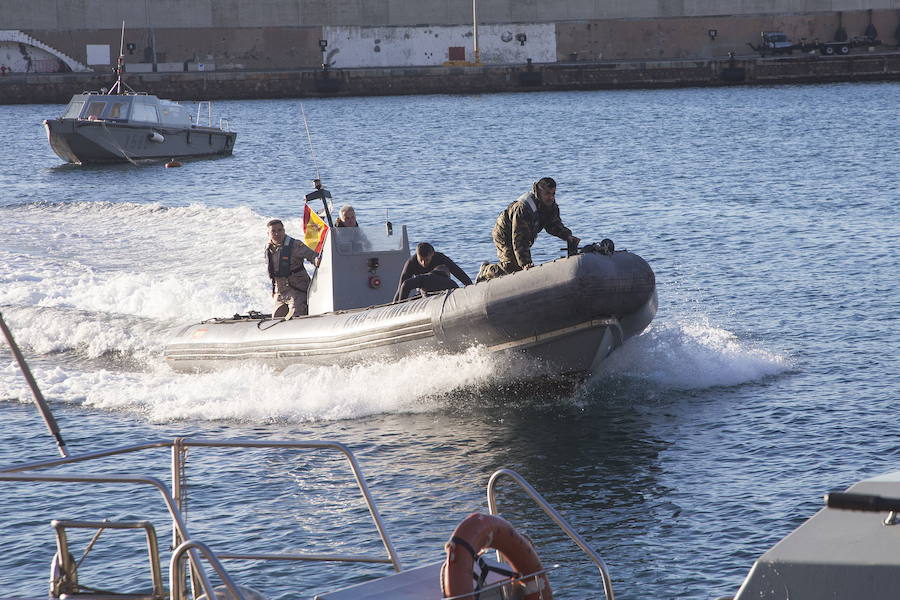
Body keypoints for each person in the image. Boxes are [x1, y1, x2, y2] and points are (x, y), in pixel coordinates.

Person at [476, 177, 580, 282]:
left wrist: (567, 236)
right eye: (548, 193)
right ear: (539, 192)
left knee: (519, 266)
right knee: (512, 267)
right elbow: (519, 239)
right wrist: (525, 264)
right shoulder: (524, 208)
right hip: (504, 233)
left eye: (553, 194)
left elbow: (553, 225)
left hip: (523, 233)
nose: (551, 197)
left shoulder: (550, 206)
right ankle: (486, 270)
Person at [265, 219, 319, 319]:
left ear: (284, 231)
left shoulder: (295, 245)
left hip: (297, 290)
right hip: (280, 292)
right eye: (273, 231)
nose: (277, 233)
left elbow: (311, 255)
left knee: (295, 316)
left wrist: (316, 260)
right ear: (268, 233)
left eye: (280, 230)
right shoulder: (269, 248)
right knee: (275, 318)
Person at [393, 242, 473, 302]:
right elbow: (402, 286)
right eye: (421, 260)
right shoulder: (411, 262)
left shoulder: (440, 258)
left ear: (432, 254)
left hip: (443, 289)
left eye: (427, 260)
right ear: (417, 255)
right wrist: (396, 304)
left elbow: (460, 274)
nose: (424, 263)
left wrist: (471, 289)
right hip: (423, 292)